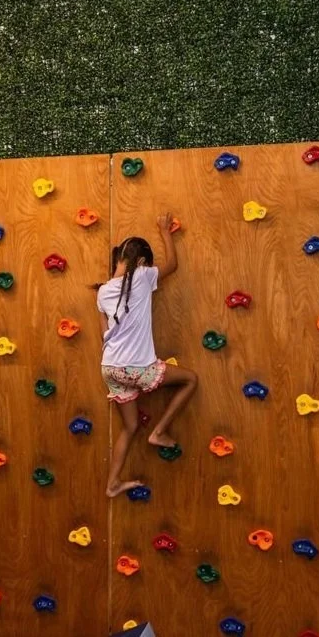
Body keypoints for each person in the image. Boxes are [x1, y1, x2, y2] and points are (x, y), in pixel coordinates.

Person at [96, 213, 198, 498]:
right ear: (141, 262)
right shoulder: (141, 277)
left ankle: (113, 484)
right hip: (137, 368)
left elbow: (104, 334)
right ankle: (159, 431)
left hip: (110, 368)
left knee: (130, 427)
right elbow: (172, 265)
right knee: (191, 379)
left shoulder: (102, 292)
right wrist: (165, 231)